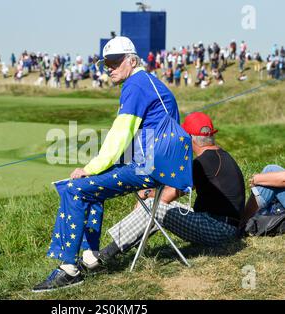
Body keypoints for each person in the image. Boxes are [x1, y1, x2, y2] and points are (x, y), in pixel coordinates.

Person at [32, 36, 192, 292]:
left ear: (131, 60)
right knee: (87, 185)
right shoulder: (147, 81)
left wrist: (91, 168)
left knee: (75, 189)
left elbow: (120, 134)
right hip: (157, 164)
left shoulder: (136, 85)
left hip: (148, 167)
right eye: (106, 62)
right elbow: (141, 137)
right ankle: (90, 257)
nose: (109, 67)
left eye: (114, 61)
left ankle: (68, 269)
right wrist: (97, 169)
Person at [97, 112, 246, 267]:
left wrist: (147, 194)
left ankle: (105, 255)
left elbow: (167, 196)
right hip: (225, 227)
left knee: (154, 207)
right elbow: (178, 189)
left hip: (219, 230)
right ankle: (122, 247)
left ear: (189, 137)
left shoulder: (203, 162)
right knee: (156, 206)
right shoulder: (218, 156)